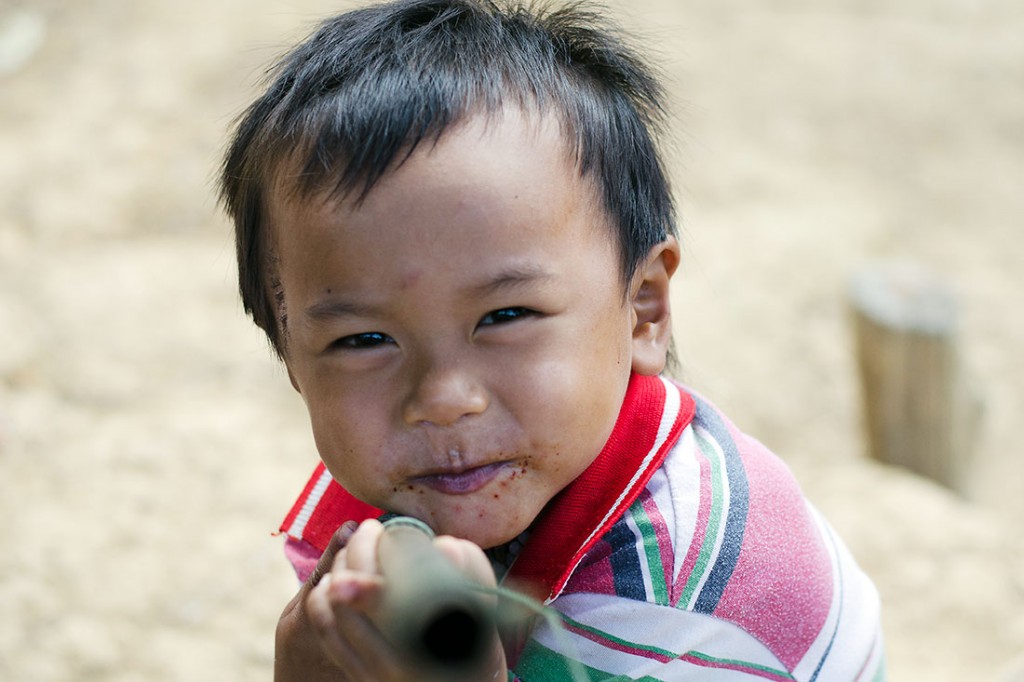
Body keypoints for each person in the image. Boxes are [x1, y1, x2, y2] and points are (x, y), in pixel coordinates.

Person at [218, 0, 885, 679]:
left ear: (643, 310)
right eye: (363, 340)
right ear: (290, 352)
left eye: (506, 317)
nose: (444, 399)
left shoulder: (687, 597)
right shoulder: (436, 485)